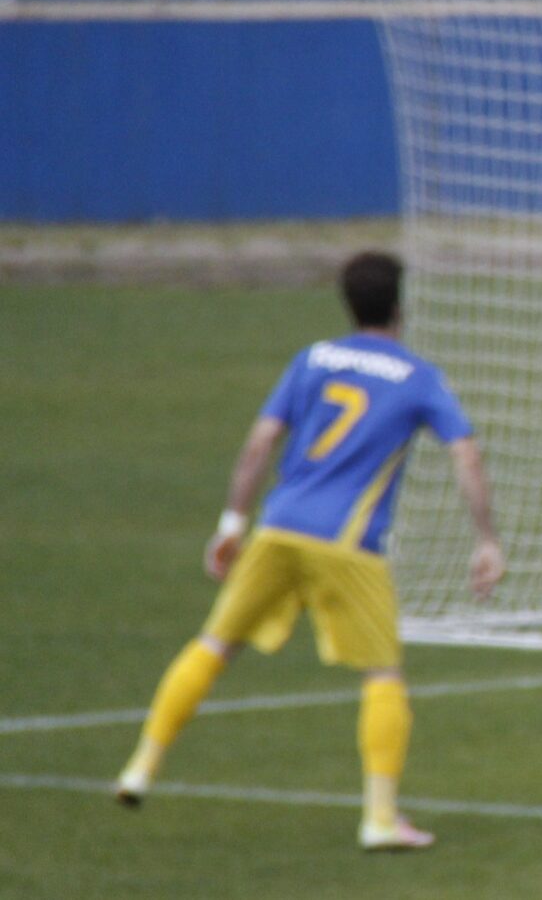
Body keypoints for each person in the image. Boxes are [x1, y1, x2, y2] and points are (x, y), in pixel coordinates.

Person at [114, 252, 506, 852]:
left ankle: (141, 765)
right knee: (383, 674)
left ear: (348, 304)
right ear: (401, 307)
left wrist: (231, 523)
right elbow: (466, 454)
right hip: (349, 545)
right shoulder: (418, 376)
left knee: (214, 645)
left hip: (278, 529)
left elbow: (261, 441)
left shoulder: (313, 359)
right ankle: (379, 817)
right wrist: (486, 539)